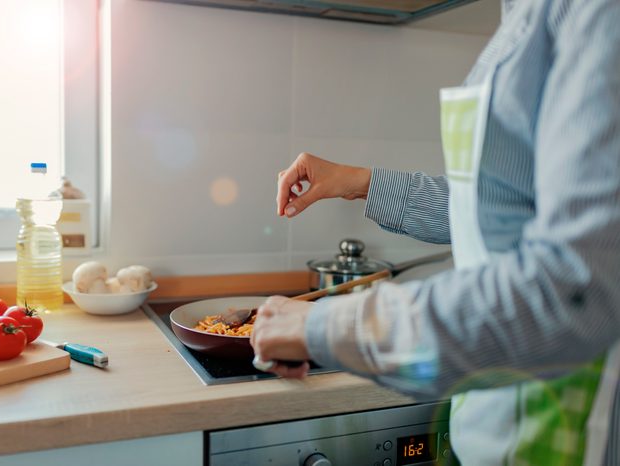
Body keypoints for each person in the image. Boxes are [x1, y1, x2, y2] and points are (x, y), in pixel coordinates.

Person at [249, 0, 620, 464]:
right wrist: (359, 182)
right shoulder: (524, 16)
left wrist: (324, 325)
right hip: (493, 420)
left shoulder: (594, 13)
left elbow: (574, 289)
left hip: (568, 433)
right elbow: (494, 210)